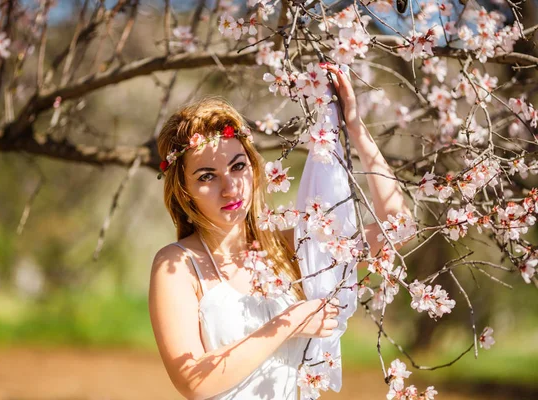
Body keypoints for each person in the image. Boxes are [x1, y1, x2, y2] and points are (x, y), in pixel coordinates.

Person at [149, 63, 411, 399]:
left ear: (254, 169)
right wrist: (288, 323)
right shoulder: (176, 266)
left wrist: (355, 128)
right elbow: (194, 381)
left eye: (238, 166)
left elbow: (398, 228)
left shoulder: (290, 247)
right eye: (206, 176)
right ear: (183, 189)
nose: (230, 188)